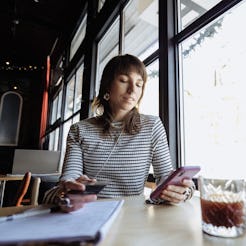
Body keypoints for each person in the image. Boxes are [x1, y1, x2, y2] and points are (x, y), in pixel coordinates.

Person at [43, 54, 195, 212]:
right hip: (87, 213)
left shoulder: (152, 126)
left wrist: (184, 191)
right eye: (123, 80)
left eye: (139, 84)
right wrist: (70, 187)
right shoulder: (80, 130)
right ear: (107, 86)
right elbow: (70, 176)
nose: (132, 90)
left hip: (132, 216)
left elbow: (165, 177)